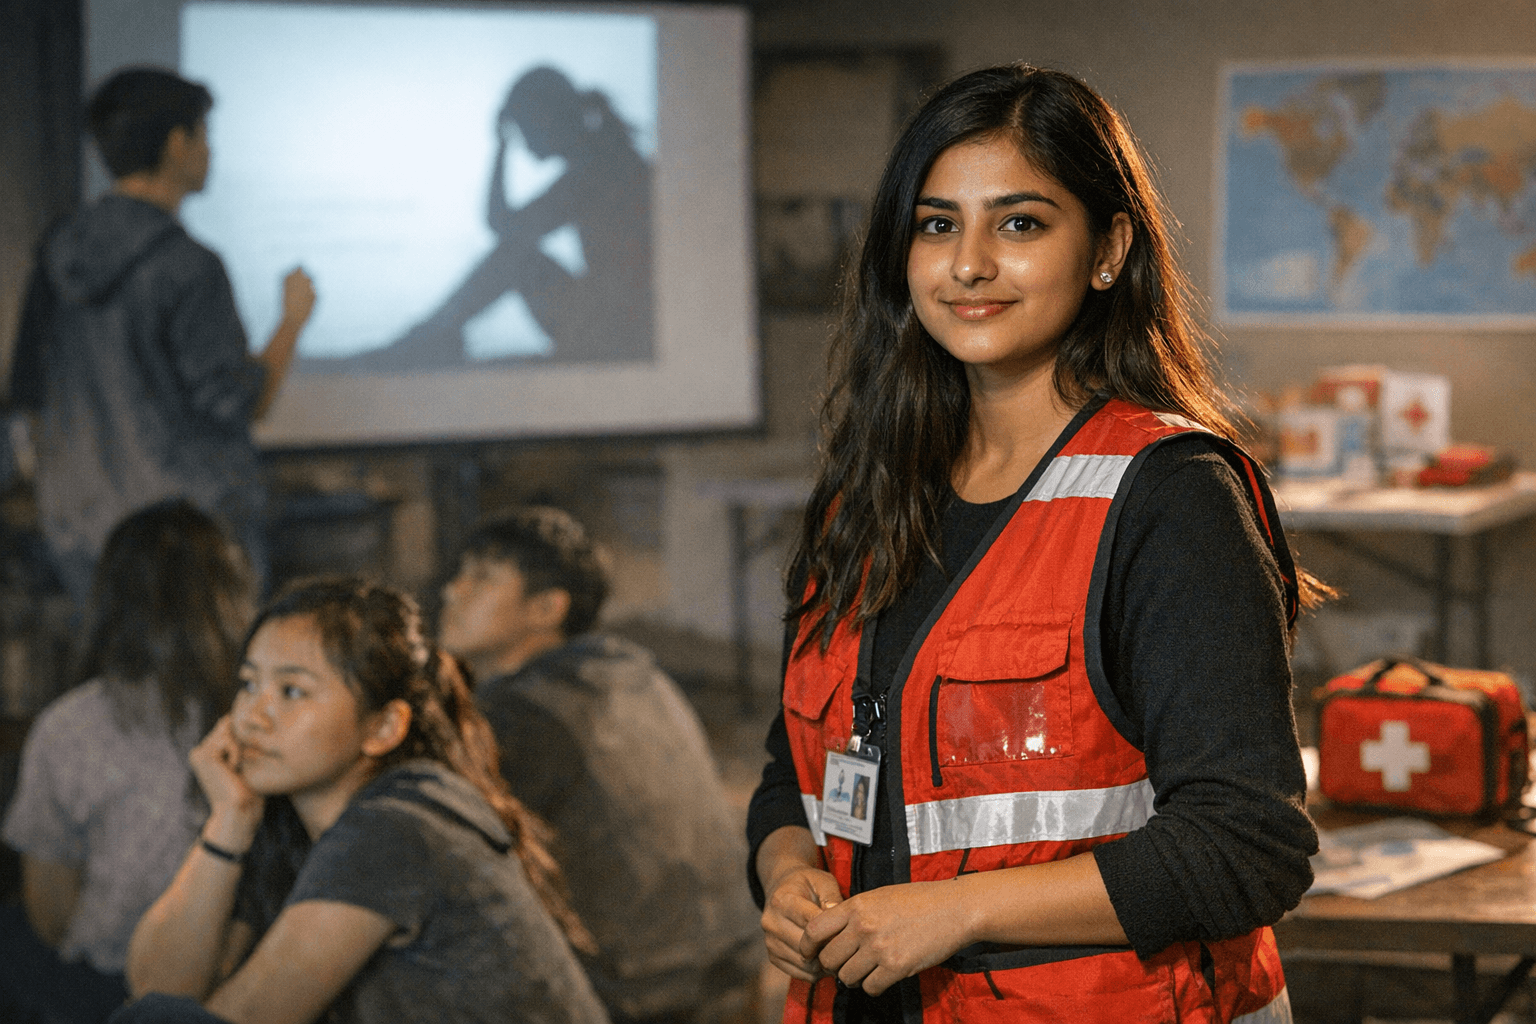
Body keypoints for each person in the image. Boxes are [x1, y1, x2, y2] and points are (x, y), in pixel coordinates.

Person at [747, 64, 1325, 1023]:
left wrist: (955, 912)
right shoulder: (867, 496)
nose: (969, 263)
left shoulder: (1170, 496)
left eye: (1019, 223)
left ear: (1108, 249)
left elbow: (1247, 846)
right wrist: (785, 875)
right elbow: (789, 772)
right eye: (938, 225)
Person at [116, 576, 607, 1024]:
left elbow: (241, 1019)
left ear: (383, 728)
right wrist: (230, 819)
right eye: (248, 684)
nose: (252, 718)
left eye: (291, 691)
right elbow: (159, 988)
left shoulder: (396, 826)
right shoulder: (284, 818)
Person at [439, 507, 763, 1024]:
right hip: (735, 966)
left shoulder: (524, 713)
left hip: (643, 994)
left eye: (481, 579)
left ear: (546, 607)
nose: (452, 591)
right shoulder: (632, 669)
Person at [7, 66, 316, 603]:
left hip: (81, 532)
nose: (211, 153)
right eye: (204, 136)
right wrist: (291, 321)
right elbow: (240, 401)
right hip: (187, 540)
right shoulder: (187, 264)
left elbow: (27, 395)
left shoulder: (56, 249)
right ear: (178, 143)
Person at [0, 500, 257, 1024]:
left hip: (94, 990)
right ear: (229, 599)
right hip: (236, 982)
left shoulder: (65, 726)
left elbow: (50, 915)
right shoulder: (259, 717)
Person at [370, 66, 652, 369]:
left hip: (617, 335)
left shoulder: (597, 172)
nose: (522, 138)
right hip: (620, 325)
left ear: (546, 119)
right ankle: (431, 334)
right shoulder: (608, 160)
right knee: (516, 254)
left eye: (523, 125)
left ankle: (427, 337)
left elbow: (504, 228)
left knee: (515, 256)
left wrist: (500, 148)